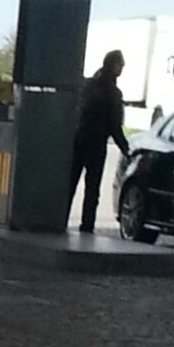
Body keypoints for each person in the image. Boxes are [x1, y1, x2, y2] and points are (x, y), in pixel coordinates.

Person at [70, 48, 130, 234]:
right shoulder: (113, 93)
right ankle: (87, 226)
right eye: (120, 64)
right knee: (92, 187)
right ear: (113, 65)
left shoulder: (87, 85)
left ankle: (59, 219)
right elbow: (114, 125)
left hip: (78, 139)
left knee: (70, 183)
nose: (122, 68)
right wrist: (126, 149)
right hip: (97, 144)